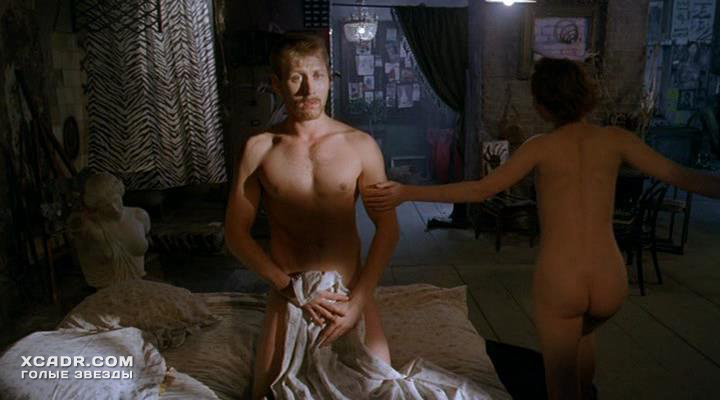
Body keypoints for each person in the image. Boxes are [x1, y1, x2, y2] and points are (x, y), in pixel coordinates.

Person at [365, 57, 720, 400]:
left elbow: (480, 190)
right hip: (610, 278)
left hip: (563, 279)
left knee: (560, 386)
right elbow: (684, 176)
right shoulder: (617, 139)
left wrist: (408, 192)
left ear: (541, 105)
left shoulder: (541, 148)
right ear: (586, 94)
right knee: (583, 337)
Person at [224, 33, 399, 400]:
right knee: (267, 393)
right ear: (276, 84)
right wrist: (287, 286)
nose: (309, 89)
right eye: (295, 78)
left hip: (347, 292)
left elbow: (388, 230)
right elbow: (236, 234)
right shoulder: (259, 149)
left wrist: (358, 301)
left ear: (329, 78)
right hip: (289, 292)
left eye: (317, 75)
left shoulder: (360, 145)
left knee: (381, 389)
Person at [67, 173, 150, 288]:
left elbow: (146, 232)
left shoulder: (139, 215)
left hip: (139, 284)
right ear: (96, 207)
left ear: (120, 193)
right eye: (106, 206)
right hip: (106, 291)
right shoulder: (90, 228)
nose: (115, 209)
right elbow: (74, 227)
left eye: (116, 200)